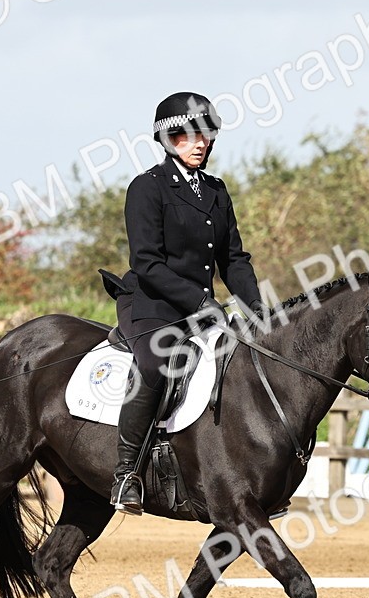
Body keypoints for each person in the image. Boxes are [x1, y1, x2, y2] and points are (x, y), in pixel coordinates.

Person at [109, 91, 268, 515]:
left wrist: (257, 308)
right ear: (167, 138)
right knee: (156, 363)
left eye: (205, 134)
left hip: (201, 311)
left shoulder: (216, 191)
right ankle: (126, 472)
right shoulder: (147, 188)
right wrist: (201, 302)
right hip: (153, 305)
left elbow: (233, 259)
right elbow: (146, 262)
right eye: (187, 134)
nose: (199, 142)